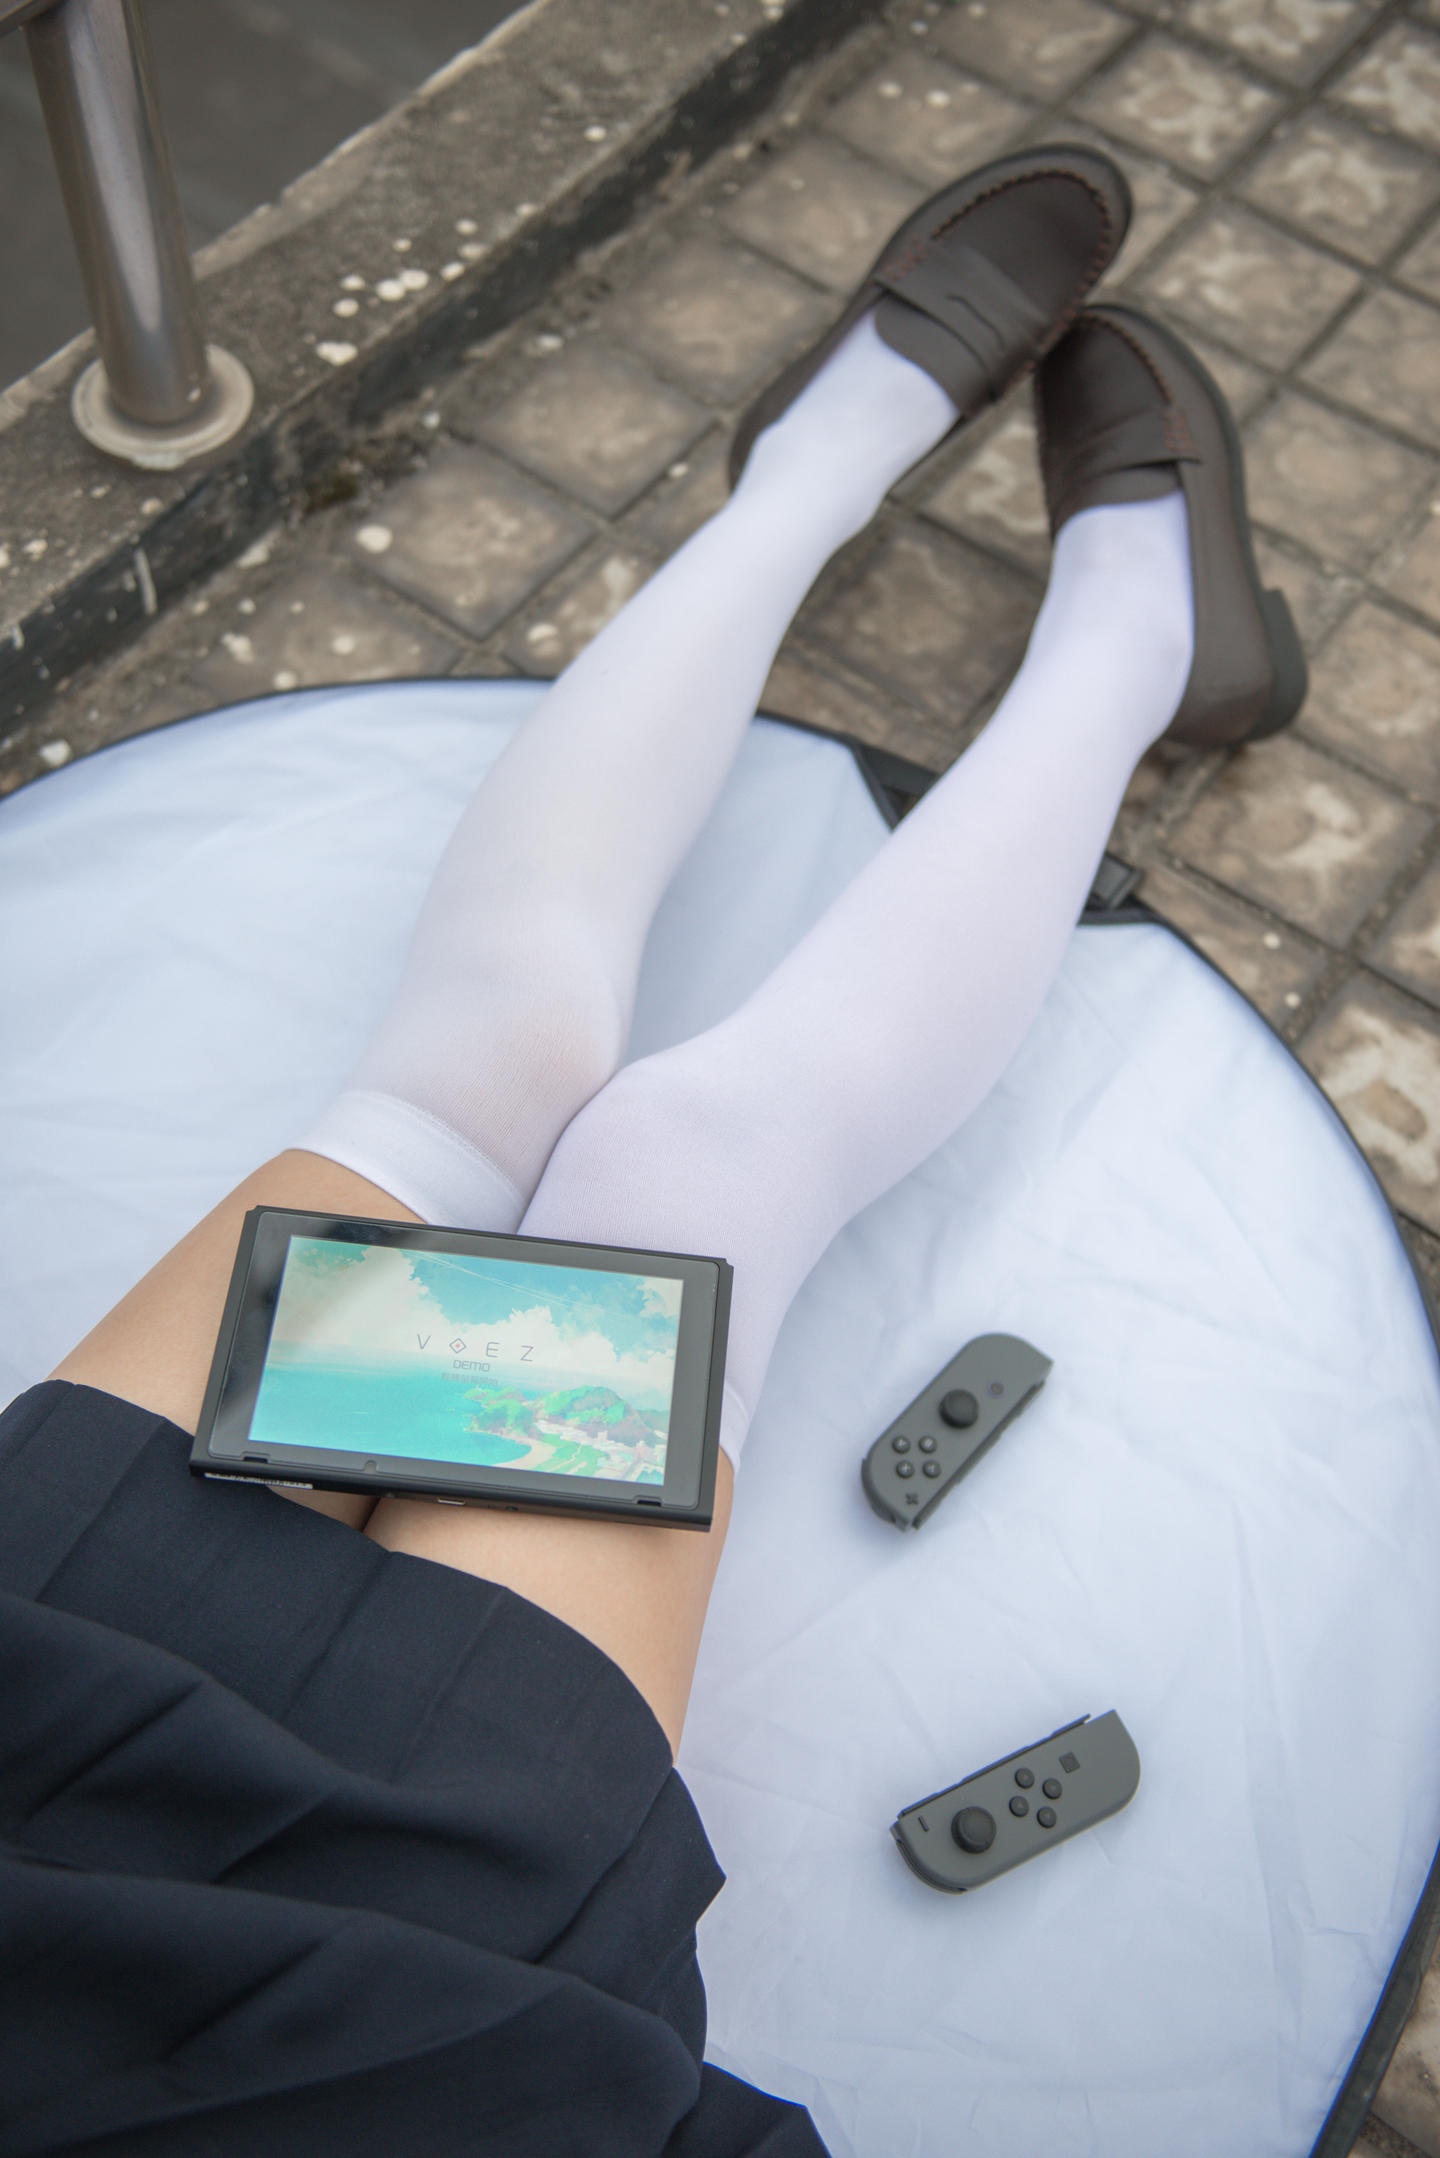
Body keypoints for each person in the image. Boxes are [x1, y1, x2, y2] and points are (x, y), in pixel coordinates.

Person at [0, 145, 1305, 2155]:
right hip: (401, 1959)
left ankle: (814, 478)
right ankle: (1132, 642)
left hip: (40, 1688)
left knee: (480, 1076)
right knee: (687, 1161)